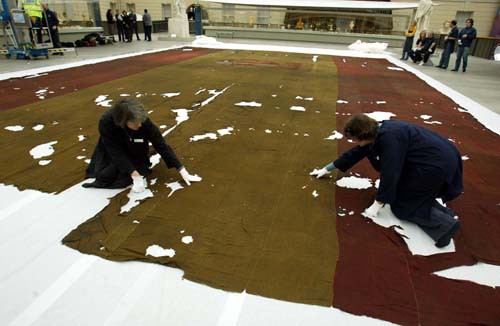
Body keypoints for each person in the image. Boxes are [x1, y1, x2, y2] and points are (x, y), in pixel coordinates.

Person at [310, 114, 463, 248]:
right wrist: (326, 169)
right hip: (436, 158)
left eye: (355, 139)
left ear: (363, 135)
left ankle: (445, 227)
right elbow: (354, 153)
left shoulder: (390, 141)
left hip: (435, 166)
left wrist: (378, 203)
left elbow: (391, 173)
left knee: (401, 207)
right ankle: (444, 214)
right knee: (405, 194)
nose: (355, 143)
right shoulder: (377, 131)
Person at [83, 100, 201, 192]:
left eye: (141, 122)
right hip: (112, 147)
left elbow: (161, 144)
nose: (140, 125)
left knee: (132, 173)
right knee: (106, 176)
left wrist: (181, 169)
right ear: (125, 121)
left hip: (136, 144)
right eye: (136, 123)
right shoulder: (106, 122)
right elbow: (115, 152)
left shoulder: (143, 122)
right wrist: (134, 175)